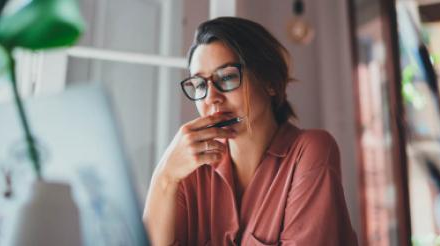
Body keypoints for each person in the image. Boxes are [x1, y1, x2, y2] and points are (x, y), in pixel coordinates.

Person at [143, 17, 358, 246]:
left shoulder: (311, 151)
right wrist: (164, 177)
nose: (211, 97)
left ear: (270, 82)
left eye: (226, 77)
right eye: (200, 85)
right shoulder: (188, 173)